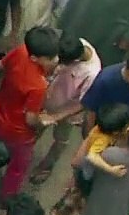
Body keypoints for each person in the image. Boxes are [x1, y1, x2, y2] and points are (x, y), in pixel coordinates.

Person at [0, 25, 61, 197]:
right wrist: (43, 121)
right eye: (50, 57)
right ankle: (5, 198)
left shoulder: (21, 51)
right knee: (17, 168)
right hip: (18, 132)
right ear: (35, 58)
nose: (56, 59)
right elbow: (30, 119)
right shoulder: (38, 85)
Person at [29, 34, 103, 184]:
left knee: (60, 140)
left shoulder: (92, 73)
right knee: (35, 128)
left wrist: (56, 117)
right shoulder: (78, 43)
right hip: (49, 97)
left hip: (66, 113)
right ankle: (24, 151)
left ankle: (46, 166)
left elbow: (83, 103)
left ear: (74, 61)